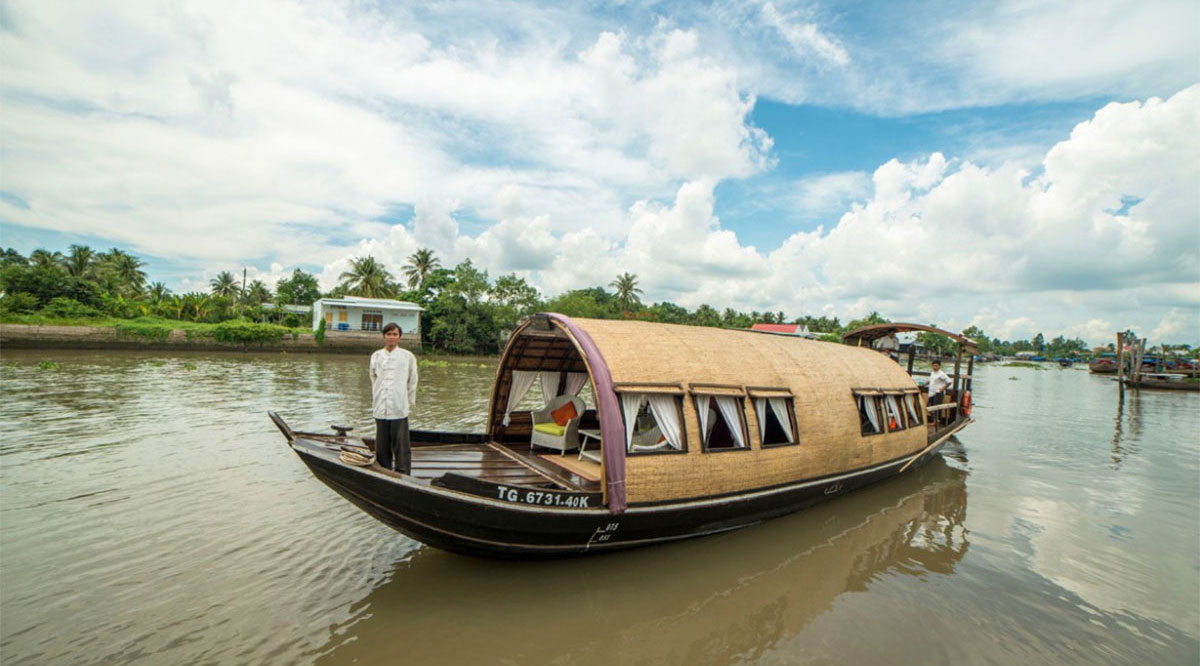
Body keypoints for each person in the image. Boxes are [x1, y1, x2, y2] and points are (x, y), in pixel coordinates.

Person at [369, 323, 418, 474]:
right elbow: (373, 376)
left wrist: (409, 400)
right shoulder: (376, 356)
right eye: (389, 334)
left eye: (395, 334)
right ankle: (384, 470)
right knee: (382, 443)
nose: (391, 337)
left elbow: (412, 379)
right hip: (380, 404)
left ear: (399, 337)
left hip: (399, 404)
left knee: (401, 443)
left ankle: (403, 472)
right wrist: (377, 394)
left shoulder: (407, 356)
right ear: (384, 336)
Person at [926, 359, 951, 424]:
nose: (935, 367)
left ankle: (936, 421)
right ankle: (933, 420)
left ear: (939, 366)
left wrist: (943, 389)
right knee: (930, 406)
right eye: (934, 366)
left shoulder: (941, 374)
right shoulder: (932, 373)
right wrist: (925, 384)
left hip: (938, 392)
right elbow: (931, 380)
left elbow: (949, 382)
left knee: (936, 407)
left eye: (936, 366)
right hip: (931, 392)